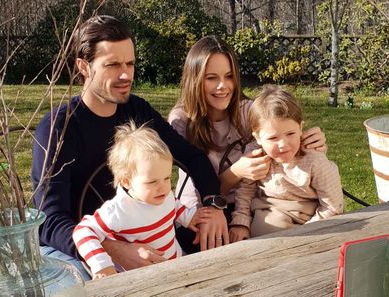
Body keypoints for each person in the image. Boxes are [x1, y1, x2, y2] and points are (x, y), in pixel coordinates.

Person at [32, 15, 226, 280]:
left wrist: (212, 206)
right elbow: (49, 222)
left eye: (130, 63)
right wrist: (112, 250)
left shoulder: (137, 110)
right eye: (112, 64)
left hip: (149, 233)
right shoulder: (59, 128)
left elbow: (192, 157)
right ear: (84, 66)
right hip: (83, 249)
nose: (126, 74)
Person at [168, 35, 327, 248]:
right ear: (194, 79)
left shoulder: (248, 111)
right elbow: (197, 186)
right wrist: (237, 172)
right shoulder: (182, 120)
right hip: (200, 207)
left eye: (229, 76)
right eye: (211, 78)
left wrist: (309, 142)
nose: (222, 86)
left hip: (249, 203)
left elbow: (283, 137)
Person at [73, 122, 212, 279]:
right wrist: (102, 265)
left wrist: (188, 217)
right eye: (152, 182)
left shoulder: (162, 195)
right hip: (139, 278)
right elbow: (83, 231)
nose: (164, 187)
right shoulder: (120, 210)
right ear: (126, 181)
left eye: (167, 178)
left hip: (174, 264)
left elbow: (173, 205)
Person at [229, 85, 344, 242]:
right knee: (265, 228)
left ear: (300, 128)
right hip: (268, 209)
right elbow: (245, 190)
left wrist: (309, 232)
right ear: (257, 137)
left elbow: (333, 206)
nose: (283, 144)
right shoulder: (256, 155)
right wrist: (240, 222)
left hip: (308, 215)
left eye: (290, 134)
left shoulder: (314, 160)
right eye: (273, 138)